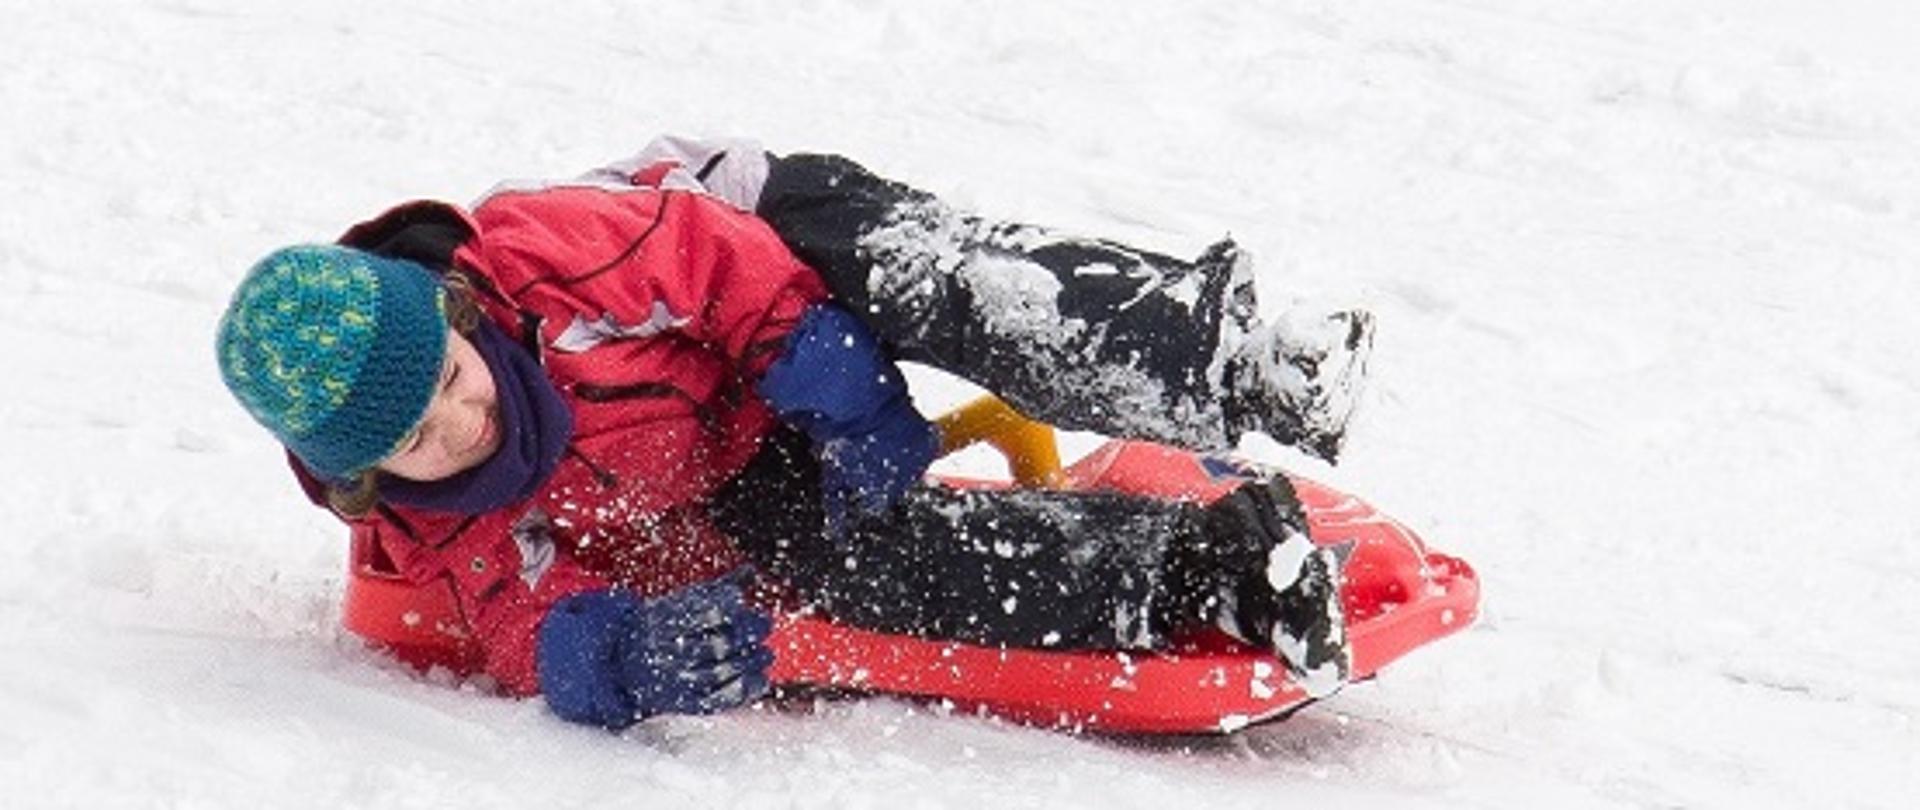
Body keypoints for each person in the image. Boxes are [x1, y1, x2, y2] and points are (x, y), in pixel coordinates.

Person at [213, 136, 1370, 730]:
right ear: (367, 478)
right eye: (418, 438)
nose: (465, 420)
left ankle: (1235, 359)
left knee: (934, 283)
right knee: (859, 566)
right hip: (730, 450)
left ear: (457, 313)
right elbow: (523, 618)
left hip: (764, 240)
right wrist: (618, 658)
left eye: (450, 379)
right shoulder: (437, 519)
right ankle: (1223, 569)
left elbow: (724, 267)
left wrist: (850, 396)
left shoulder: (544, 255)